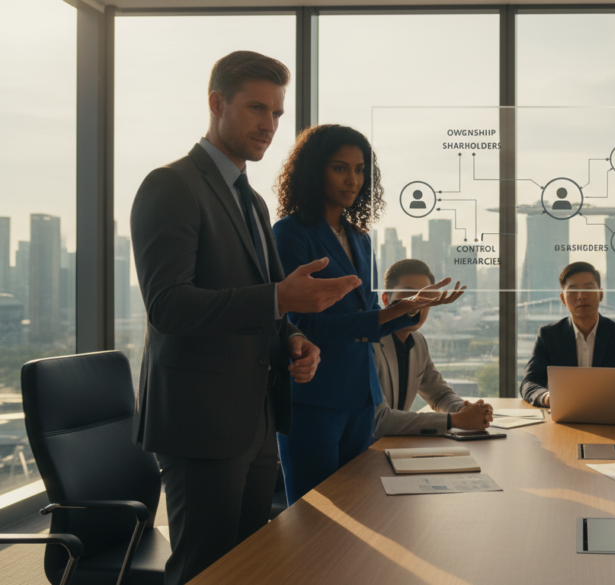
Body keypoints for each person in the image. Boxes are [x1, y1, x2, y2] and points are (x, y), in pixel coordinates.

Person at [130, 51, 363, 585]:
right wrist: (280, 301)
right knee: (206, 570)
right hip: (201, 421)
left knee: (250, 569)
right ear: (217, 103)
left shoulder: (251, 201)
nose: (269, 125)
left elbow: (270, 304)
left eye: (278, 113)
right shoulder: (172, 186)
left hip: (256, 419)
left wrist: (297, 340)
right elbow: (168, 306)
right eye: (258, 108)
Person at [273, 124, 464, 506]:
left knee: (360, 510)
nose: (353, 180)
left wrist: (413, 308)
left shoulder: (359, 237)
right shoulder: (290, 233)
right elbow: (305, 324)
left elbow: (367, 319)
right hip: (315, 399)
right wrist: (392, 311)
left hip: (362, 398)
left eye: (360, 170)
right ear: (314, 171)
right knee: (313, 518)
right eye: (340, 168)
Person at [372, 259, 493, 438]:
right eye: (409, 295)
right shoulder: (369, 344)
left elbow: (440, 395)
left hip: (396, 448)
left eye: (426, 297)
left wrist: (464, 409)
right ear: (385, 298)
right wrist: (455, 420)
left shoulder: (418, 341)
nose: (418, 303)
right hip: (363, 456)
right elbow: (379, 421)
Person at [520, 262, 615, 407]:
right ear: (563, 299)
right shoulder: (549, 336)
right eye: (573, 291)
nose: (581, 296)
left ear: (600, 295)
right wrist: (547, 397)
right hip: (563, 418)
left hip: (608, 418)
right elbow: (529, 383)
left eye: (588, 289)